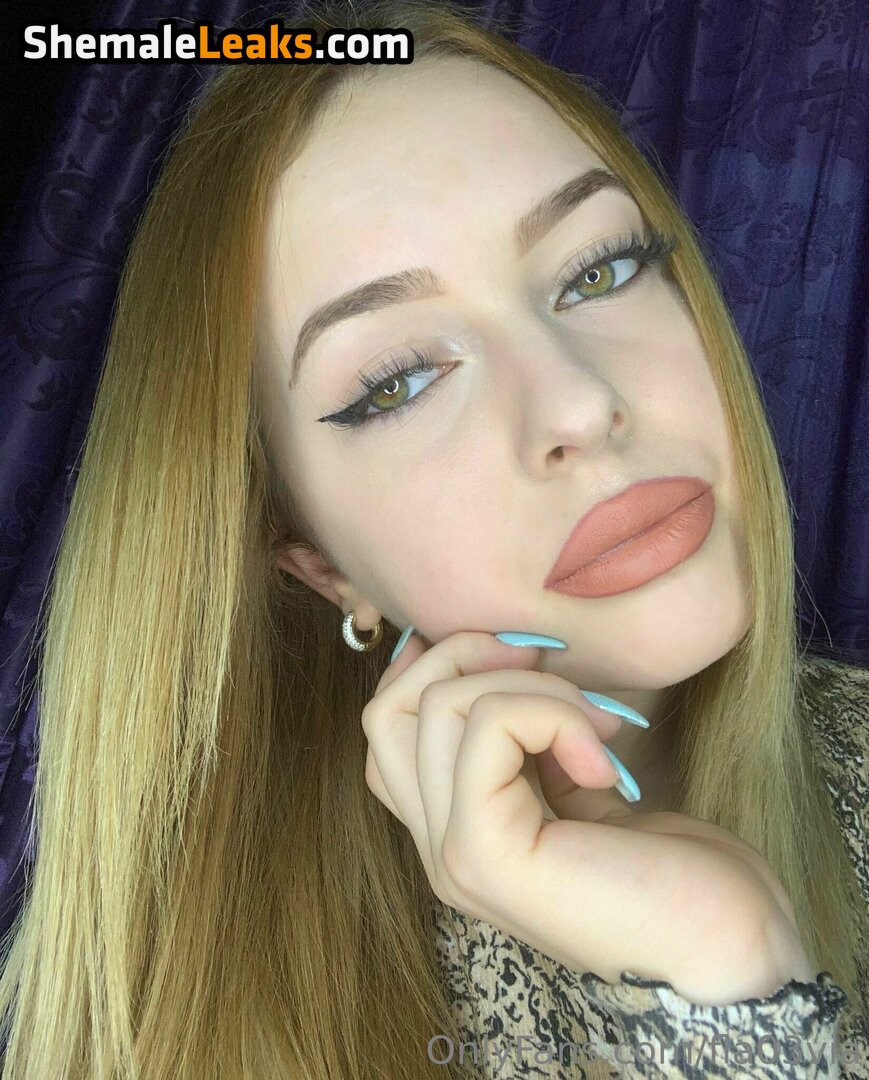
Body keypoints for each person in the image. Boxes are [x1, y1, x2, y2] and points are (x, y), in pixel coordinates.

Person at [0, 1, 864, 1076]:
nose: (577, 405)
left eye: (597, 269)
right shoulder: (181, 1036)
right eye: (400, 381)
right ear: (315, 562)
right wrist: (725, 978)